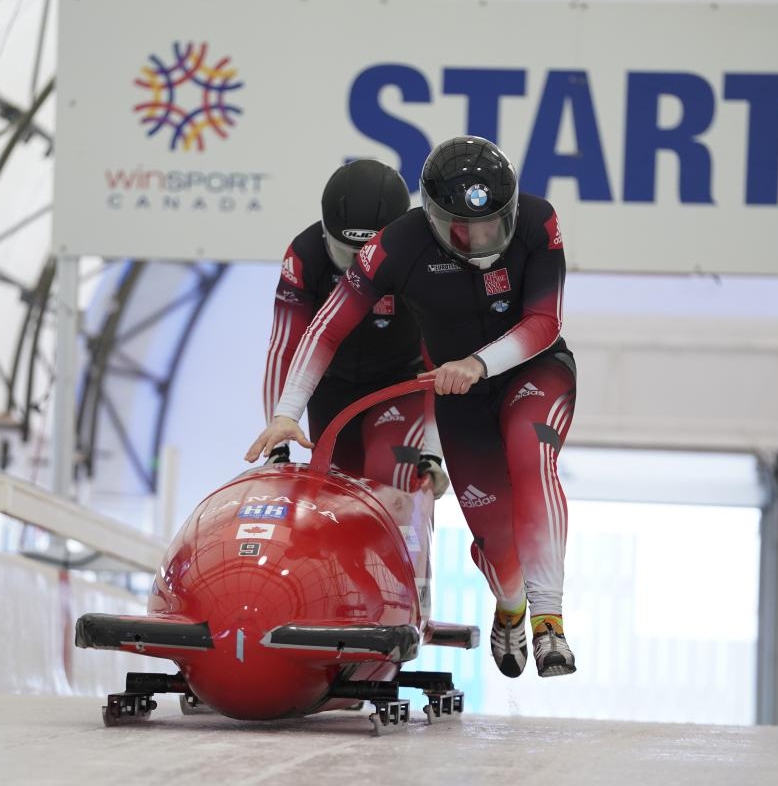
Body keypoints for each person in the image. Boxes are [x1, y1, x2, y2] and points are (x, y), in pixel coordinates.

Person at [246, 136, 577, 678]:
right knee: (488, 537)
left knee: (519, 456)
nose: (482, 239)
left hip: (495, 375)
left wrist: (444, 420)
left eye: (495, 223)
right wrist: (284, 417)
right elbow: (312, 332)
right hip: (432, 392)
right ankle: (503, 603)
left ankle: (549, 619)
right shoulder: (385, 248)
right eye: (467, 229)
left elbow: (544, 322)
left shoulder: (539, 223)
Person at [260, 158, 448, 496]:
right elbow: (284, 348)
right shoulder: (306, 256)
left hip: (399, 387)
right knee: (334, 491)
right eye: (347, 256)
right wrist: (278, 441)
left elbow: (440, 358)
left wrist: (433, 452)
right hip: (331, 389)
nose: (357, 272)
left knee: (385, 476)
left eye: (368, 259)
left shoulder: (421, 260)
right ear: (326, 235)